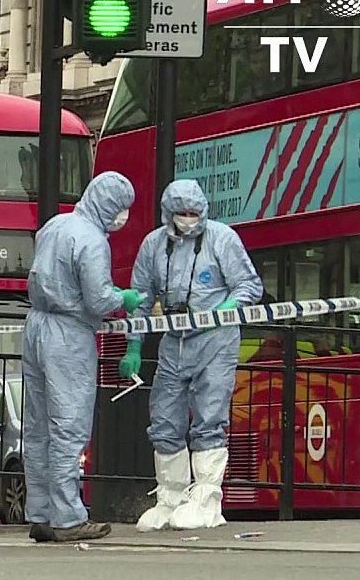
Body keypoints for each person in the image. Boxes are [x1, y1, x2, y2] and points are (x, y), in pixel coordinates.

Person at [119, 179, 263, 531]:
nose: (187, 219)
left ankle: (207, 498)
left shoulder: (222, 239)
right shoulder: (154, 246)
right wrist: (134, 345)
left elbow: (250, 285)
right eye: (181, 213)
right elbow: (139, 297)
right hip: (174, 341)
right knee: (165, 419)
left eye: (193, 213)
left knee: (209, 416)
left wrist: (227, 307)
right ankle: (170, 496)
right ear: (168, 212)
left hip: (216, 340)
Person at [23, 171, 143, 543]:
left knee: (38, 426)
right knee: (68, 426)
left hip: (36, 327)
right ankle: (68, 516)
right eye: (122, 208)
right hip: (69, 334)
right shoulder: (91, 240)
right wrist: (123, 299)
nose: (123, 216)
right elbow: (97, 298)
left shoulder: (56, 224)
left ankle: (41, 512)